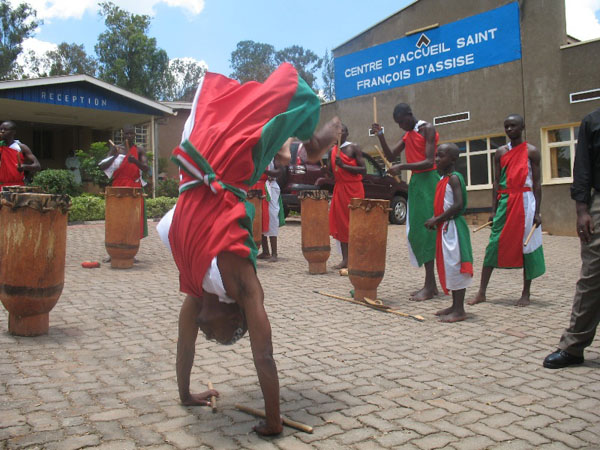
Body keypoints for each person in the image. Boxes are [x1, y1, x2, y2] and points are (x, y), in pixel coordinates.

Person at [156, 63, 341, 435]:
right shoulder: (239, 283)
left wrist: (185, 394)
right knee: (279, 97)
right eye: (223, 336)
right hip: (221, 171)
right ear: (234, 314)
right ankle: (314, 142)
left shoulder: (197, 293)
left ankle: (310, 142)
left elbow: (183, 346)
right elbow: (264, 354)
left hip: (200, 167)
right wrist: (274, 422)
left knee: (231, 114)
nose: (210, 335)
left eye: (213, 337)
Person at [468, 114, 545, 307]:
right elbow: (496, 182)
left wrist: (537, 212)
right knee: (494, 243)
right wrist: (494, 209)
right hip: (505, 201)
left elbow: (537, 183)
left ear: (522, 127)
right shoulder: (500, 152)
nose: (510, 129)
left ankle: (526, 293)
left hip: (526, 202)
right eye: (506, 126)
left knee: (526, 245)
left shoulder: (532, 152)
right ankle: (482, 292)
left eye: (513, 126)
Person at [543, 107, 600, 369]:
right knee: (592, 276)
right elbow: (583, 167)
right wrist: (582, 210)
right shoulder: (593, 121)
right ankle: (573, 347)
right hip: (598, 204)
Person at [371, 103, 439, 301]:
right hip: (417, 182)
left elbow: (428, 161)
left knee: (428, 231)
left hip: (428, 181)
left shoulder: (427, 129)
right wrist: (381, 135)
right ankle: (430, 283)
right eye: (398, 124)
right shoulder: (408, 135)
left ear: (410, 115)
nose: (401, 126)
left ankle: (430, 285)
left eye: (402, 122)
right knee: (417, 231)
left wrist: (403, 166)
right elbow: (391, 155)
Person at [424, 144, 473, 322]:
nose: (436, 159)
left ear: (452, 159)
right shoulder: (443, 178)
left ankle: (460, 310)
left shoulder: (454, 179)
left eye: (441, 156)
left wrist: (437, 219)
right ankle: (454, 305)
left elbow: (458, 204)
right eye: (436, 155)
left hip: (453, 228)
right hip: (445, 227)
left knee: (456, 265)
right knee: (449, 266)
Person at [99, 125, 149, 243]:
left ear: (135, 135)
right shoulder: (117, 149)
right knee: (117, 219)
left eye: (131, 134)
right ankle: (115, 249)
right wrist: (114, 157)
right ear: (123, 135)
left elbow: (146, 168)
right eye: (127, 134)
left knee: (132, 219)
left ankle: (131, 249)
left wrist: (135, 161)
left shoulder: (139, 150)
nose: (129, 136)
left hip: (134, 188)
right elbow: (102, 166)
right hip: (118, 188)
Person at [328, 124, 366, 269]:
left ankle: (358, 258)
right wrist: (326, 171)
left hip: (354, 189)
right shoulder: (333, 150)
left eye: (341, 131)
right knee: (342, 224)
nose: (338, 134)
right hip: (340, 189)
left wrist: (344, 165)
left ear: (347, 133)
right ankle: (346, 259)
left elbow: (363, 170)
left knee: (355, 223)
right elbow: (333, 175)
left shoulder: (354, 147)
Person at [257, 159, 285, 261]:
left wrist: (264, 171)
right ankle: (265, 251)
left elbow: (279, 171)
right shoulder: (258, 153)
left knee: (271, 217)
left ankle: (274, 253)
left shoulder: (274, 155)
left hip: (270, 187)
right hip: (257, 187)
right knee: (260, 218)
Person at [0, 120, 40, 187]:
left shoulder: (21, 147)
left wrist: (24, 166)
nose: (2, 131)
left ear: (13, 132)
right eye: (1, 129)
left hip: (17, 186)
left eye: (5, 129)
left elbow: (37, 166)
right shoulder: (1, 146)